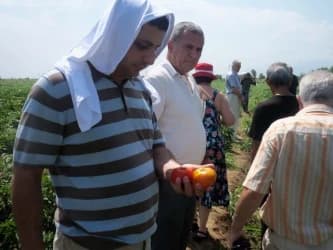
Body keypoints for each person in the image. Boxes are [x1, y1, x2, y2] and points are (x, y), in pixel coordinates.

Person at [11, 1, 205, 250]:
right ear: (114, 36)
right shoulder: (58, 88)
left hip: (143, 238)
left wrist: (172, 170)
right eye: (142, 46)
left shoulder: (140, 88)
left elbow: (157, 147)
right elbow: (27, 175)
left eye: (155, 48)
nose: (149, 58)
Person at [228, 70, 333, 249]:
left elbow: (254, 191)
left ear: (300, 101)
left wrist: (235, 230)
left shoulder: (281, 130)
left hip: (282, 242)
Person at [144, 21, 206, 250]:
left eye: (199, 49)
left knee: (179, 236)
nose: (194, 54)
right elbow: (146, 133)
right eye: (188, 47)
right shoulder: (158, 79)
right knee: (163, 239)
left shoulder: (189, 80)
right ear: (170, 45)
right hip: (166, 181)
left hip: (190, 179)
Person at [192, 62, 235, 241]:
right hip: (212, 147)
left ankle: (191, 219)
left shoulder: (190, 93)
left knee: (191, 181)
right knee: (207, 184)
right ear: (211, 78)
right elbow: (230, 121)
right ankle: (202, 229)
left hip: (192, 143)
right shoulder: (218, 96)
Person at [248, 63, 299, 161]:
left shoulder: (263, 108)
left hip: (271, 162)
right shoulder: (300, 105)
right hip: (296, 161)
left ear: (268, 82)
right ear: (290, 82)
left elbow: (256, 143)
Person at [225, 60, 243, 136]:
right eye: (238, 66)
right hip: (233, 96)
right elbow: (234, 89)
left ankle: (234, 134)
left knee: (236, 114)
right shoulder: (232, 75)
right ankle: (232, 135)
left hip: (235, 96)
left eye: (240, 66)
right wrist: (241, 97)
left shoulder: (235, 74)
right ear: (233, 66)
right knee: (233, 115)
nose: (239, 68)